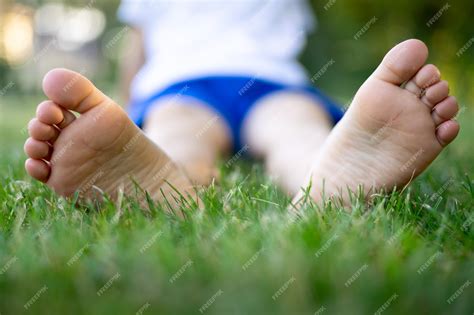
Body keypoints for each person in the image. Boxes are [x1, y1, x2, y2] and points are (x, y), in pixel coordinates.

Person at [23, 0, 459, 208]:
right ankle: (318, 174)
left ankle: (169, 181)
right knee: (296, 131)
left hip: (181, 85)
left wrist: (130, 104)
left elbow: (137, 52)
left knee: (176, 133)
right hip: (269, 81)